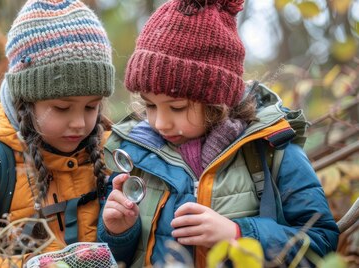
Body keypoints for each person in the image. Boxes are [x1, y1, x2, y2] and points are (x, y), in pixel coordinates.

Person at [97, 0, 339, 267]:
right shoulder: (136, 154)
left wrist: (238, 235)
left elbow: (321, 242)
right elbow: (113, 256)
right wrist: (118, 233)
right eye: (150, 105)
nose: (160, 123)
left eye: (177, 107)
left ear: (217, 101)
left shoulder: (271, 148)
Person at [0, 0, 115, 266]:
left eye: (91, 107)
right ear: (25, 101)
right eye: (62, 108)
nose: (79, 123)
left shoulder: (113, 152)